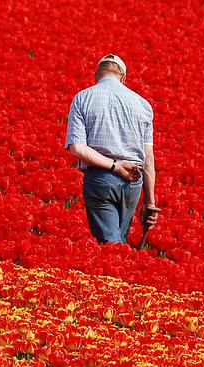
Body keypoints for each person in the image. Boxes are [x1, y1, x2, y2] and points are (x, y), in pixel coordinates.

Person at [65, 54, 159, 244]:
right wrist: (150, 203)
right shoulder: (143, 105)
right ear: (123, 77)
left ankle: (125, 272)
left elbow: (77, 148)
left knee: (112, 245)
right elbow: (148, 158)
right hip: (133, 183)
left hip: (102, 179)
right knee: (118, 242)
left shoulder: (83, 98)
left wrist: (115, 166)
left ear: (96, 76)